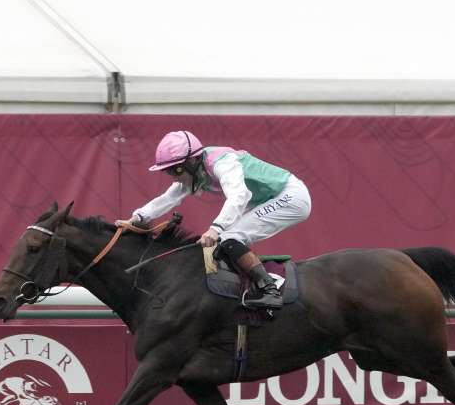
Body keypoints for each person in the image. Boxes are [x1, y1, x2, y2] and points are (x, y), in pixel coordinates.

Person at [116, 130, 312, 310]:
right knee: (226, 239)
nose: (174, 177)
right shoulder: (195, 169)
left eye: (175, 170)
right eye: (168, 171)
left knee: (228, 237)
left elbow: (239, 196)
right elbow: (168, 198)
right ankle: (254, 286)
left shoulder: (222, 163)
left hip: (291, 197)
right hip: (275, 198)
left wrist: (215, 228)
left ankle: (270, 289)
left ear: (192, 161)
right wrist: (136, 218)